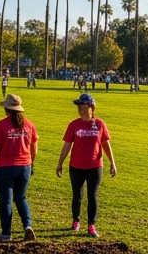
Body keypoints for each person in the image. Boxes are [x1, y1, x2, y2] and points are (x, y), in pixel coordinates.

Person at [56, 92, 116, 239]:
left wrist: (112, 163)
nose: (80, 110)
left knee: (92, 196)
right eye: (79, 107)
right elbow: (67, 145)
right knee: (77, 195)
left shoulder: (100, 124)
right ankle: (75, 220)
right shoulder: (73, 125)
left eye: (83, 107)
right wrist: (60, 163)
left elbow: (106, 144)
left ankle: (91, 225)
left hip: (95, 166)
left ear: (91, 107)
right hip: (76, 166)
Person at [0, 94, 37, 242]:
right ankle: (27, 226)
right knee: (21, 197)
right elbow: (34, 148)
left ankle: (6, 234)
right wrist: (31, 163)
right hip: (24, 166)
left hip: (4, 168)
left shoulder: (1, 125)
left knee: (6, 201)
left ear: (7, 109)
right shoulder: (29, 125)